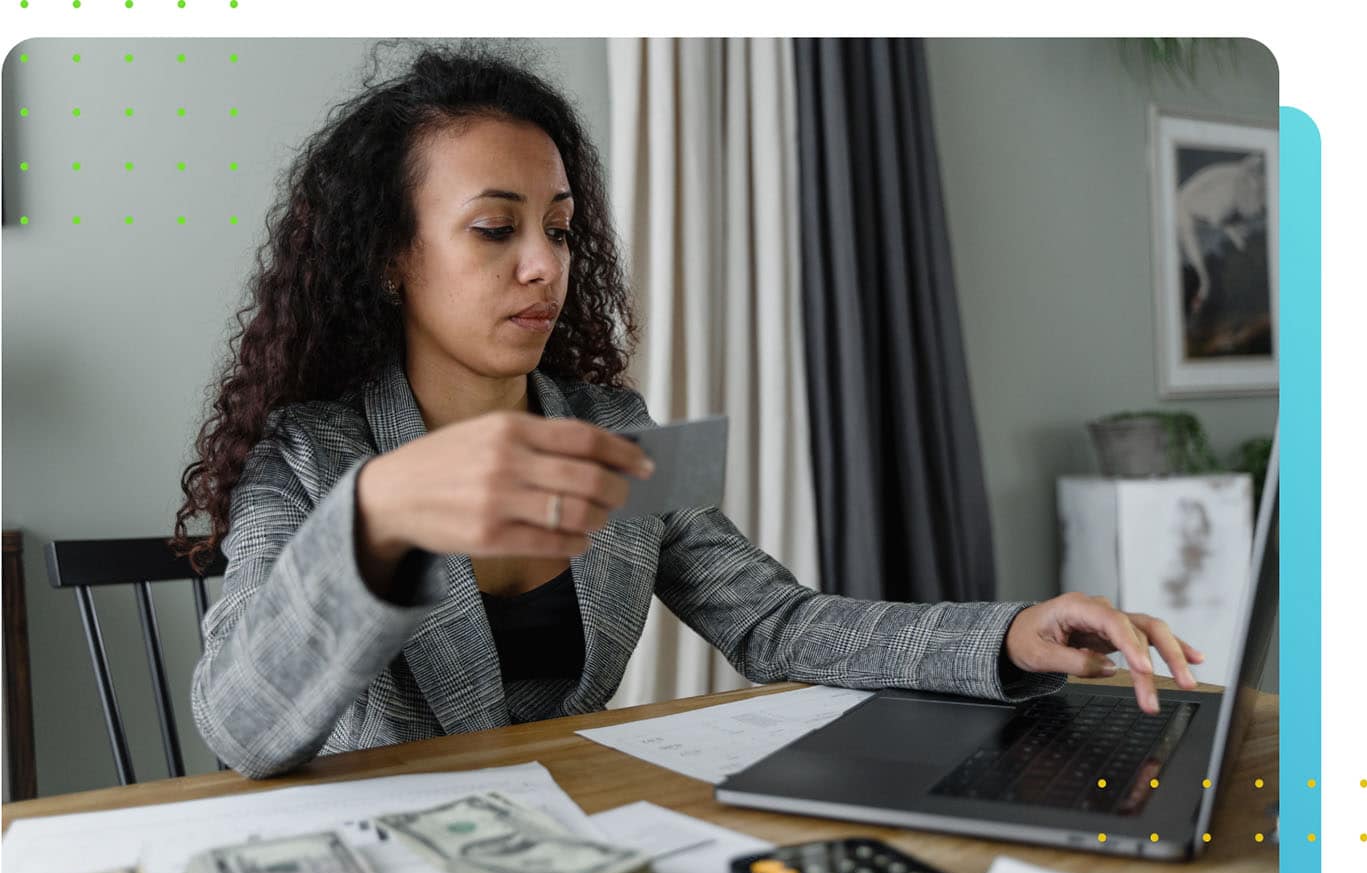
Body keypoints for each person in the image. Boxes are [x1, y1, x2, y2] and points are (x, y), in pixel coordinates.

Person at [173, 42, 1202, 781]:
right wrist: (376, 514)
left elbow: (777, 621)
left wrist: (1010, 633)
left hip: (576, 837)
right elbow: (238, 726)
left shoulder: (612, 427)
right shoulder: (309, 454)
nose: (543, 266)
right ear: (392, 257)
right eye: (494, 228)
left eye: (562, 231)